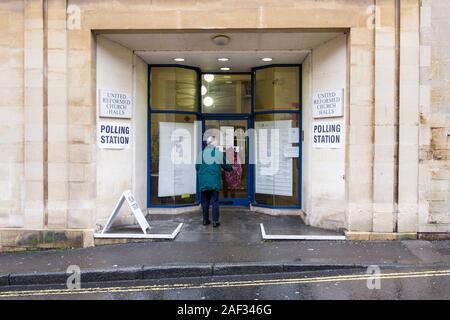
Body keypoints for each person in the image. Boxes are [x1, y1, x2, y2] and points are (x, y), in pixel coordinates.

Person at [195, 136, 232, 227]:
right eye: (216, 143)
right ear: (214, 144)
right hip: (214, 182)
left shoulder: (201, 154)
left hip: (203, 182)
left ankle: (205, 220)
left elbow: (197, 167)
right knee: (215, 201)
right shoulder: (218, 153)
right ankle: (215, 221)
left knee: (205, 201)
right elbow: (226, 166)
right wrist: (230, 169)